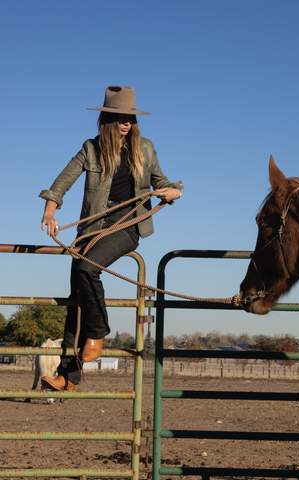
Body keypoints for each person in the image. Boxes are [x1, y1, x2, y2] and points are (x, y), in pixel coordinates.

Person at [39, 86, 184, 391]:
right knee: (76, 302)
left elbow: (164, 182)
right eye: (119, 116)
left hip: (128, 226)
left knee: (86, 269)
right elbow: (64, 180)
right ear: (107, 118)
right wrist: (50, 211)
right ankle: (69, 377)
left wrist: (173, 192)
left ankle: (98, 332)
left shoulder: (145, 148)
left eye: (129, 116)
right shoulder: (90, 149)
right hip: (91, 229)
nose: (125, 121)